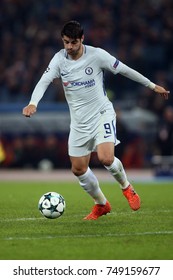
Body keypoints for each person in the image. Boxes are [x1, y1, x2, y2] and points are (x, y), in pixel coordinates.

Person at [23, 20, 169, 220]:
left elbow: (125, 69)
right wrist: (33, 103)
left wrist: (152, 86)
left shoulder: (97, 55)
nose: (69, 47)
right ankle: (101, 204)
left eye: (73, 42)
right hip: (79, 123)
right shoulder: (59, 59)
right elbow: (44, 81)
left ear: (82, 39)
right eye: (65, 42)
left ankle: (126, 187)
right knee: (78, 169)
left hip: (102, 114)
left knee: (106, 158)